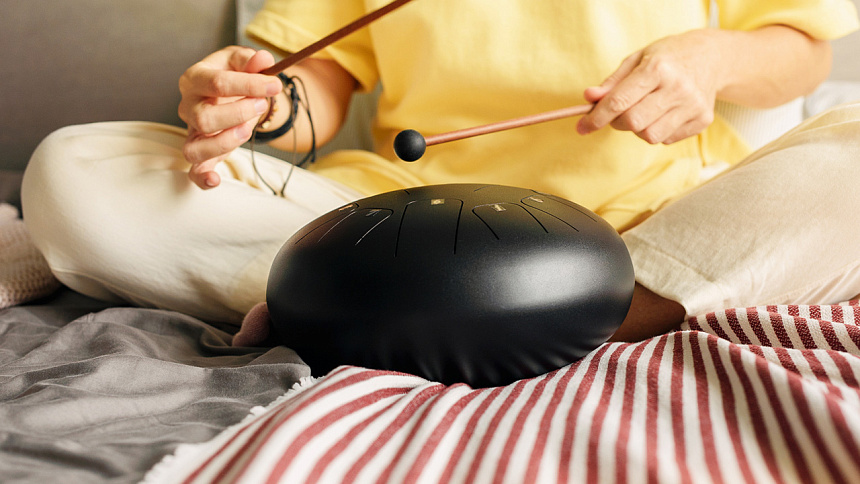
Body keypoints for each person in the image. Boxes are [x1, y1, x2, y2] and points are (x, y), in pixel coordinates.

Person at [21, 0, 860, 347]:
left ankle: (355, 313)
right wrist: (262, 103)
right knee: (75, 169)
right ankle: (489, 313)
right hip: (402, 220)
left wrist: (711, 62)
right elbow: (315, 85)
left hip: (660, 225)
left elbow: (797, 47)